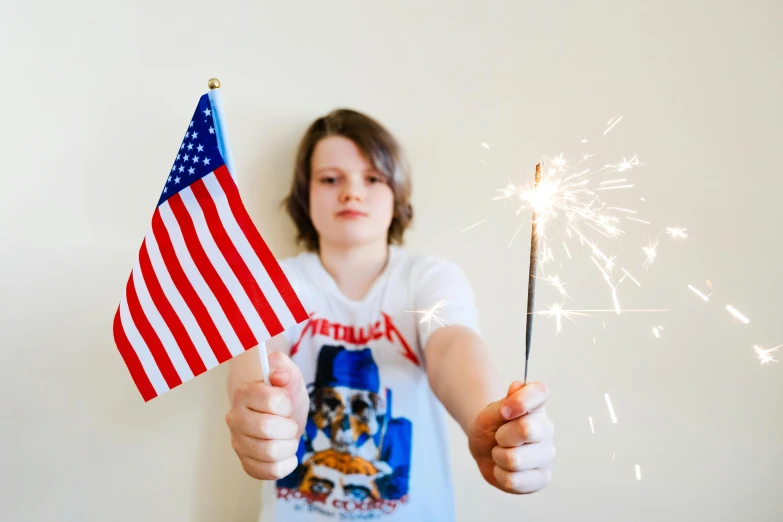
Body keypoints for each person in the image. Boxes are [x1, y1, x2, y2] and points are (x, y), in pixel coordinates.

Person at [225, 109, 555, 521]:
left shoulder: (429, 279)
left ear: (397, 193)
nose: (351, 192)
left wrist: (488, 419)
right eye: (330, 178)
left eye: (373, 178)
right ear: (303, 194)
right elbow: (252, 373)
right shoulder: (271, 283)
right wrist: (261, 416)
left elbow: (452, 346)